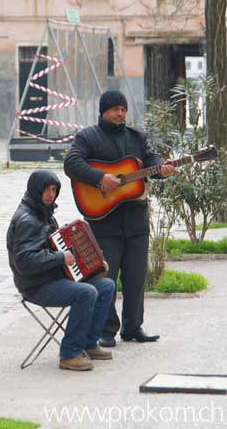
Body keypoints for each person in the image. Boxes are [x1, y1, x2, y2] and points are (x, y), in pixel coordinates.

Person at [64, 90, 175, 348]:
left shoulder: (136, 138)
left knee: (136, 278)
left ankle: (133, 327)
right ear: (104, 111)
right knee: (106, 279)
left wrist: (164, 169)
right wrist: (100, 178)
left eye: (123, 109)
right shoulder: (88, 137)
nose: (120, 113)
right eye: (115, 109)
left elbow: (152, 161)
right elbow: (71, 163)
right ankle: (106, 330)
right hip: (104, 222)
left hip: (136, 221)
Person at [6, 169, 115, 370]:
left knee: (106, 286)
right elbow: (25, 262)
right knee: (86, 292)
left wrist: (92, 265)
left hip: (53, 277)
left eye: (54, 189)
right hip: (36, 285)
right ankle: (70, 354)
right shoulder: (27, 220)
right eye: (46, 189)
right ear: (35, 189)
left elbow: (55, 247)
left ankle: (88, 344)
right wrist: (60, 257)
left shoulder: (43, 212)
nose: (50, 194)